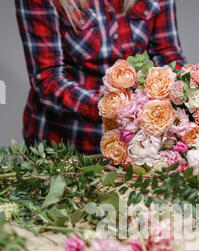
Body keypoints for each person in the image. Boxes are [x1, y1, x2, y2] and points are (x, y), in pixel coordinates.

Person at [15, 0, 185, 154]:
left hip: (132, 142)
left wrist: (188, 93)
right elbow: (47, 79)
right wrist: (116, 109)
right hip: (65, 141)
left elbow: (168, 56)